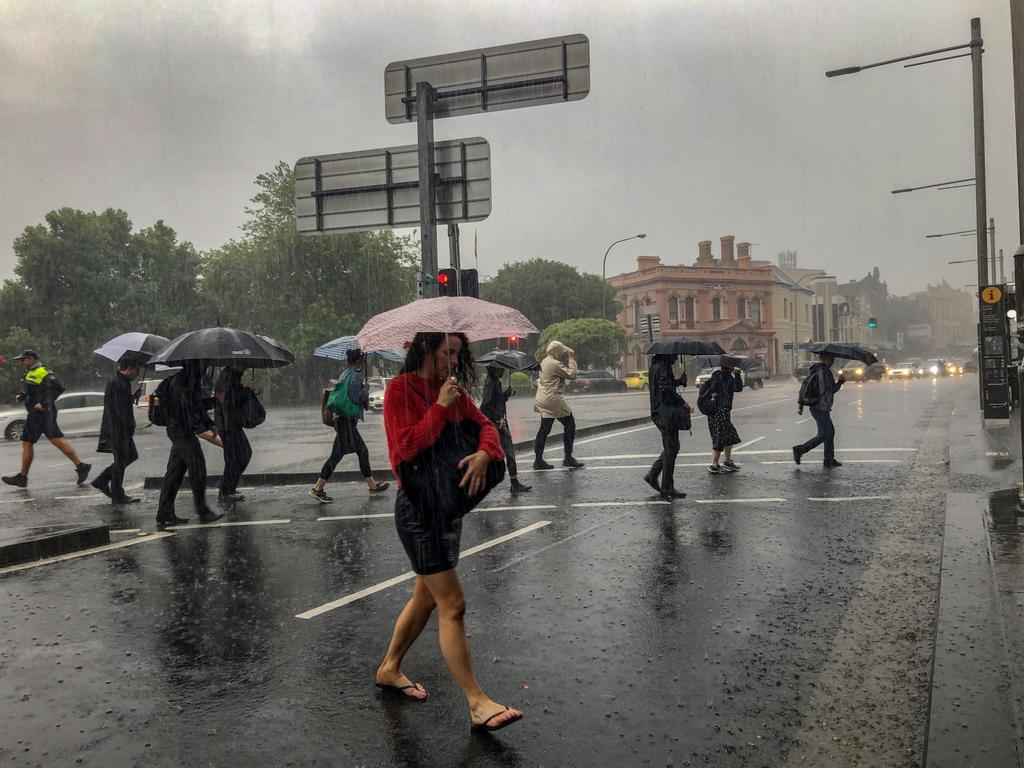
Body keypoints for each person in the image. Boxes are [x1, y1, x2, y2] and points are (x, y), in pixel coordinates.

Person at [376, 332, 522, 732]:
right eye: (447, 353)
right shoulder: (399, 391)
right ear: (425, 350)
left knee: (424, 598)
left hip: (447, 508)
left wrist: (484, 453)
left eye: (458, 354)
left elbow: (487, 426)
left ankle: (389, 668)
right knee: (452, 604)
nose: (453, 361)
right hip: (419, 512)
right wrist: (439, 409)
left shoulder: (452, 389)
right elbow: (405, 447)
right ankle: (477, 702)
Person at [309, 348, 389, 503]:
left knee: (359, 452)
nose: (363, 365)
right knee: (339, 456)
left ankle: (372, 487)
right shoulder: (353, 377)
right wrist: (365, 391)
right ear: (358, 361)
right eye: (362, 361)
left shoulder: (345, 374)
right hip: (346, 422)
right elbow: (355, 398)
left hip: (343, 421)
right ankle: (317, 489)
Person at [2, 350, 90, 488]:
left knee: (28, 442)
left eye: (23, 360)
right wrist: (23, 396)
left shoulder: (43, 372)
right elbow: (35, 391)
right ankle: (81, 466)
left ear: (31, 359)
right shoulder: (31, 372)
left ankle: (23, 477)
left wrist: (42, 403)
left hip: (42, 413)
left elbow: (58, 389)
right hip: (39, 413)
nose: (21, 362)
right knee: (54, 440)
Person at [155, 361, 224, 528]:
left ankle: (164, 512)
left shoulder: (188, 381)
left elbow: (196, 406)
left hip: (179, 431)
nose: (205, 369)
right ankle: (202, 510)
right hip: (181, 432)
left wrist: (209, 422)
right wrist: (201, 428)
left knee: (175, 472)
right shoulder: (181, 384)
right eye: (203, 366)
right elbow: (188, 411)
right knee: (198, 469)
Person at [91, 357, 142, 503]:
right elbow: (119, 410)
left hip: (118, 428)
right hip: (118, 429)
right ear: (128, 368)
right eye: (136, 370)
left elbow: (121, 404)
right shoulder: (119, 383)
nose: (137, 374)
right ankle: (110, 487)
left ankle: (113, 489)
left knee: (125, 458)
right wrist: (126, 428)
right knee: (124, 459)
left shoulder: (121, 382)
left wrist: (133, 397)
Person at [643, 354, 690, 499]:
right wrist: (683, 402)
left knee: (671, 447)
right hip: (665, 413)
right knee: (672, 448)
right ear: (667, 355)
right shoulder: (663, 367)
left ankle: (654, 476)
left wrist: (679, 381)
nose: (675, 359)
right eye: (674, 356)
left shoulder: (656, 366)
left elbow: (665, 385)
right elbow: (666, 390)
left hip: (659, 412)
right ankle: (666, 486)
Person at [480, 364, 532, 496]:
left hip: (498, 423)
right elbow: (485, 405)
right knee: (507, 453)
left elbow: (496, 402)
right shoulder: (491, 383)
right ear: (494, 369)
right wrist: (497, 421)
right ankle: (513, 484)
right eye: (500, 368)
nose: (503, 370)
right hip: (496, 425)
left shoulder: (495, 382)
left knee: (502, 453)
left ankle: (514, 483)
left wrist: (505, 395)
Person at [532, 340, 583, 470]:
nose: (562, 354)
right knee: (570, 424)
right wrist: (571, 358)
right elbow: (572, 375)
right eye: (561, 351)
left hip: (542, 397)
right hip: (553, 399)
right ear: (556, 351)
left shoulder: (544, 361)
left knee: (544, 429)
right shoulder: (554, 364)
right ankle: (568, 457)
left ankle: (538, 460)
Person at [793, 352, 846, 467]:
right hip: (821, 407)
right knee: (824, 434)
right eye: (832, 359)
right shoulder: (824, 372)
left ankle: (829, 459)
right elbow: (829, 390)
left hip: (817, 406)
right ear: (826, 358)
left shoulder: (815, 370)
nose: (832, 362)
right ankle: (800, 450)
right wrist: (840, 383)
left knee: (830, 432)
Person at [215, 362, 258, 502]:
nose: (245, 367)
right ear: (235, 363)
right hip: (228, 425)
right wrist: (247, 390)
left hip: (229, 423)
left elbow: (231, 396)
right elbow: (228, 400)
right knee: (238, 456)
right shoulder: (228, 376)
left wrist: (243, 388)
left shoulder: (230, 375)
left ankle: (227, 488)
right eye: (243, 364)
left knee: (236, 456)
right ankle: (226, 490)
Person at [706, 364, 743, 474]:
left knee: (730, 435)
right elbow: (738, 388)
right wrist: (737, 375)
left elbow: (738, 388)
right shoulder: (721, 377)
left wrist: (736, 375)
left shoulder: (726, 377)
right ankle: (714, 465)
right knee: (719, 437)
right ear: (729, 367)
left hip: (723, 412)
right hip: (718, 411)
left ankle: (727, 461)